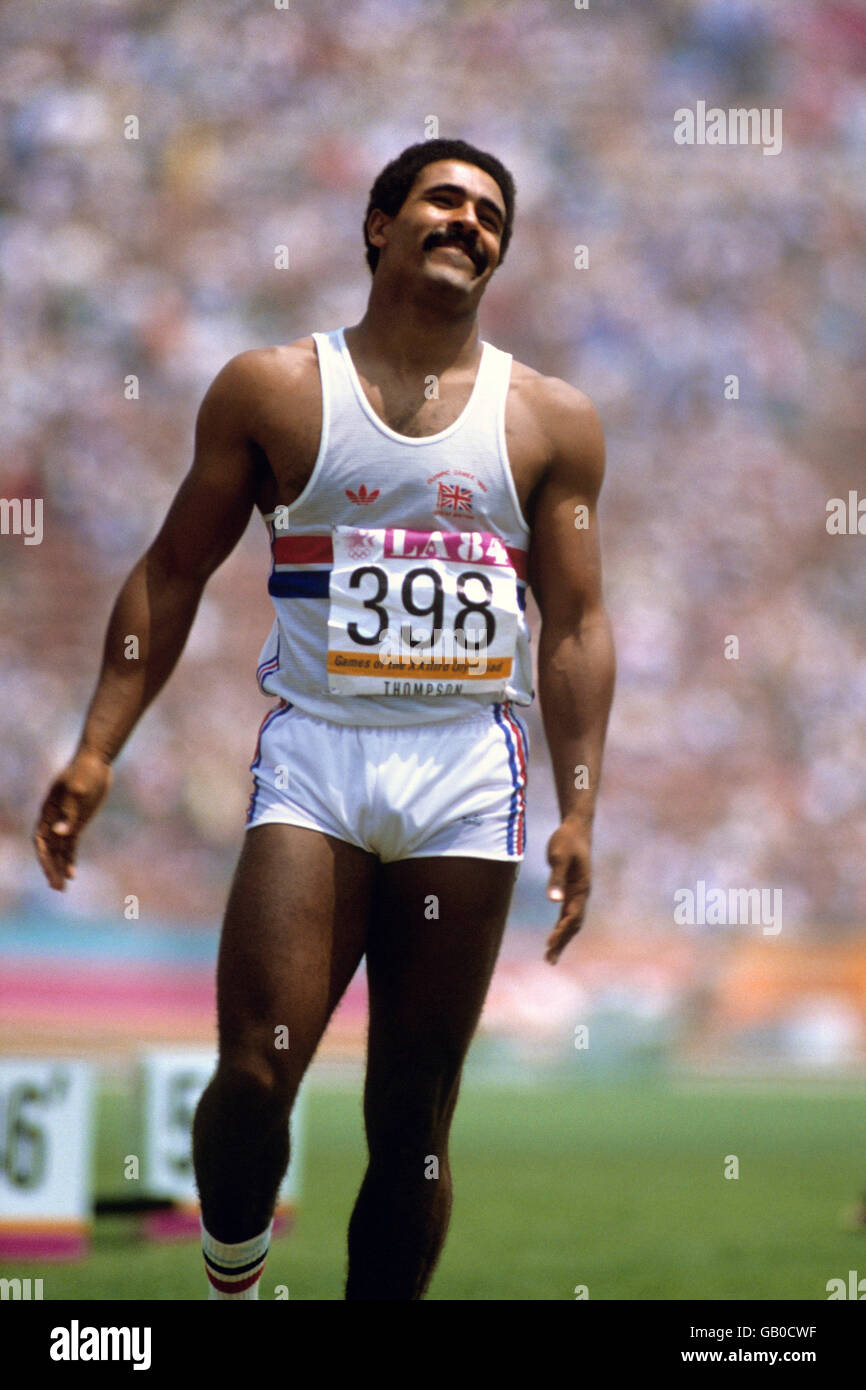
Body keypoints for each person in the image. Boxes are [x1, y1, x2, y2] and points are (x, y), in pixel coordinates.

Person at [33, 138, 616, 1301]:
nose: (467, 222)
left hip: (467, 769)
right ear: (378, 224)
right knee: (255, 1072)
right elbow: (170, 571)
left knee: (412, 1115)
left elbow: (575, 625)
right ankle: (233, 1278)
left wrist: (579, 804)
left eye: (490, 214)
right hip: (317, 752)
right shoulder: (275, 390)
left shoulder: (550, 423)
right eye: (443, 200)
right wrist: (98, 748)